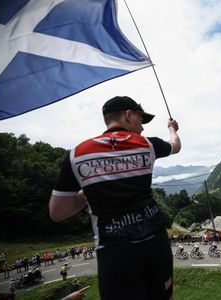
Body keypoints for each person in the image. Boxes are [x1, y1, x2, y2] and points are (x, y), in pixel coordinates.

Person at [49, 96, 181, 300]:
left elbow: (58, 212)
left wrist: (92, 186)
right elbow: (176, 145)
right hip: (156, 242)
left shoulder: (77, 154)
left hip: (115, 251)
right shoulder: (147, 144)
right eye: (140, 119)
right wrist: (172, 128)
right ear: (128, 115)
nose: (143, 128)